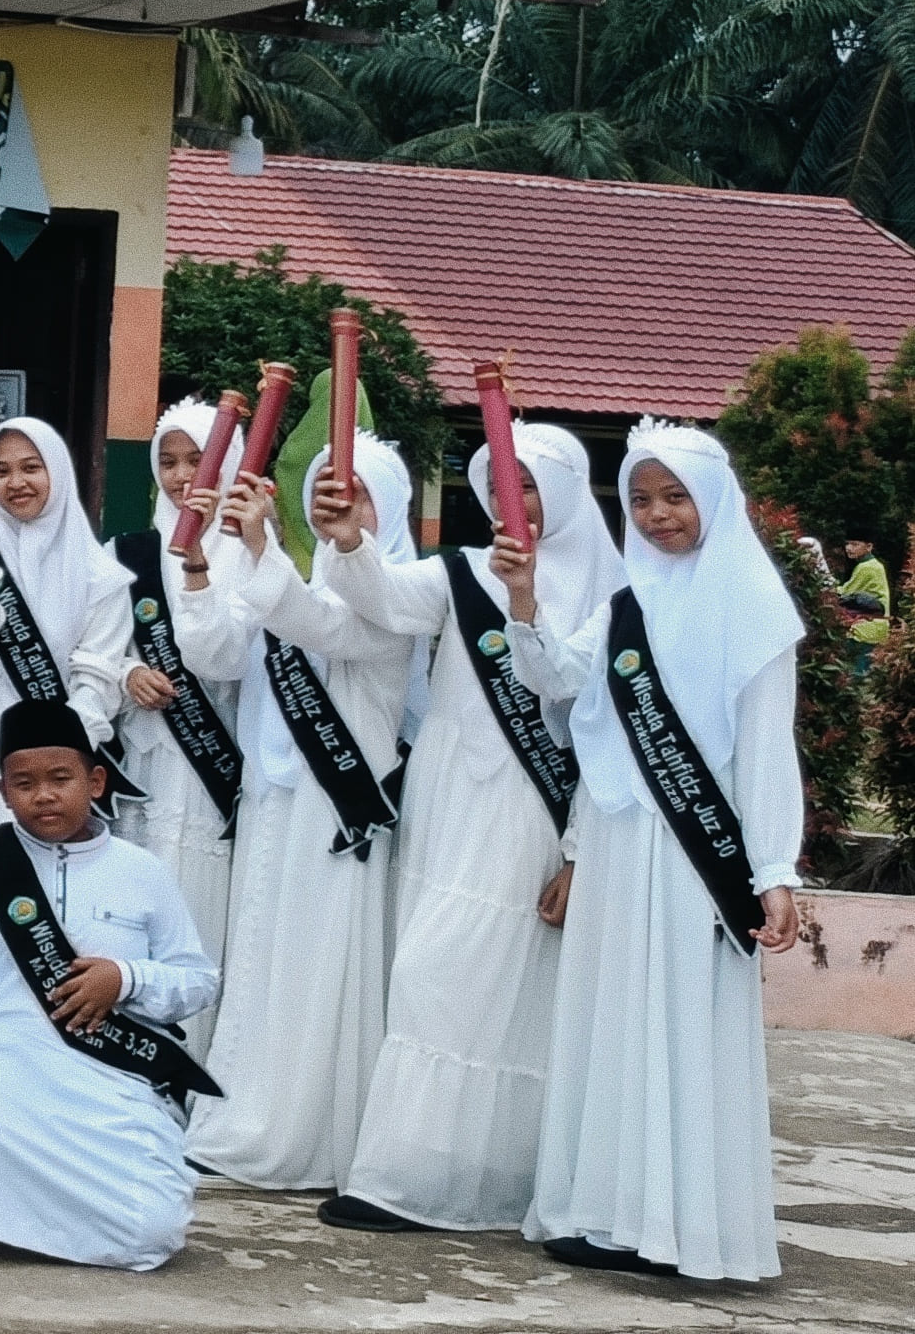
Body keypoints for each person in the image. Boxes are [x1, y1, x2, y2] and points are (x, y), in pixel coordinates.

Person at [518, 425, 808, 1282]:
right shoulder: (625, 605)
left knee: (679, 1026)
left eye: (674, 496)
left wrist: (774, 870)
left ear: (714, 499)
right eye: (640, 499)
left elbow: (765, 749)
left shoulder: (753, 610)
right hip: (614, 841)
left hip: (695, 852)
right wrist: (525, 603)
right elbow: (564, 687)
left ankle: (679, 1228)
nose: (656, 516)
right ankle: (606, 1214)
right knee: (613, 1024)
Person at [316, 420, 614, 1234]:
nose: (507, 502)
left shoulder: (611, 597)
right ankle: (410, 1172)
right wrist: (350, 546)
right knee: (427, 978)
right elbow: (381, 599)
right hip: (446, 794)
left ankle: (455, 1182)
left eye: (525, 487)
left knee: (463, 978)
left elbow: (604, 739)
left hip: (528, 813)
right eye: (496, 487)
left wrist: (581, 851)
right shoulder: (458, 572)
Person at [0, 699, 223, 1271]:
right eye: (24, 783)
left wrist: (124, 978)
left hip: (107, 1067)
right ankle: (15, 1222)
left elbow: (197, 982)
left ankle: (43, 1222)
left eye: (60, 778)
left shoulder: (142, 870)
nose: (43, 795)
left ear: (95, 780)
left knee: (153, 1228)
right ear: (2, 791)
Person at [181, 431, 418, 1192]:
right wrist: (206, 563)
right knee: (263, 953)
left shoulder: (402, 591)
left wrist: (261, 548)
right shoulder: (288, 580)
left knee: (319, 966)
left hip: (338, 812)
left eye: (357, 492)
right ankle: (246, 1106)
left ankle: (305, 1130)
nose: (339, 504)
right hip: (277, 799)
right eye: (326, 489)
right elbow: (220, 656)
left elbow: (327, 629)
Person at [0, 418, 136, 869]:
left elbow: (97, 681)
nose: (16, 482)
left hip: (55, 771)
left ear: (58, 472)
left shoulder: (100, 574)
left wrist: (52, 759)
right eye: (0, 472)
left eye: (31, 467)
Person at [104, 400, 250, 985]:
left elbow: (228, 657)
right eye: (168, 461)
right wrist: (126, 673)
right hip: (143, 753)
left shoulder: (246, 551)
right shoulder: (127, 550)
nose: (183, 475)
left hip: (213, 752)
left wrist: (198, 569)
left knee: (197, 896)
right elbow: (95, 643)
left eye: (198, 460)